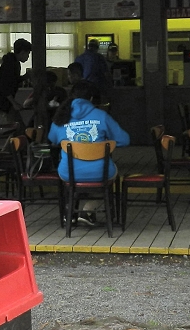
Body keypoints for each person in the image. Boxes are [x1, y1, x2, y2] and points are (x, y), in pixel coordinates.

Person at [48, 81, 130, 224]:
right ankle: (88, 209)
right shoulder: (102, 116)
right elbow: (124, 140)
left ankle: (70, 211)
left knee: (76, 176)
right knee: (112, 174)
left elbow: (53, 140)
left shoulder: (62, 116)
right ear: (91, 98)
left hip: (68, 172)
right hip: (101, 172)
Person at [0, 37, 31, 122]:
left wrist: (25, 77)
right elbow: (5, 86)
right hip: (2, 101)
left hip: (1, 100)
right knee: (16, 126)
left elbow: (12, 81)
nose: (28, 57)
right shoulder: (11, 64)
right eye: (28, 54)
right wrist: (14, 103)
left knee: (17, 125)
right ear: (22, 52)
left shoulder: (12, 61)